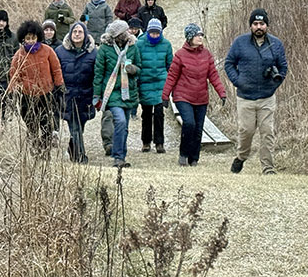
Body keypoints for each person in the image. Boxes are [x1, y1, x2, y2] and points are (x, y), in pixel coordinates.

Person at [224, 9, 287, 175]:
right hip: (245, 97)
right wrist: (238, 81)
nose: (259, 27)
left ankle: (268, 167)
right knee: (246, 131)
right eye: (255, 24)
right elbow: (229, 63)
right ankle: (241, 157)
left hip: (267, 97)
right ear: (251, 26)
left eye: (262, 24)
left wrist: (275, 84)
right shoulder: (240, 43)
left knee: (267, 132)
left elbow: (283, 67)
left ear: (267, 25)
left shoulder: (276, 44)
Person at [162, 23, 226, 167]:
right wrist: (165, 96)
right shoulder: (180, 55)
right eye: (197, 35)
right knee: (189, 123)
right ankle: (183, 155)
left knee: (198, 129)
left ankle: (194, 159)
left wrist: (221, 92)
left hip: (201, 98)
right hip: (182, 96)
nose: (200, 37)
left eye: (201, 35)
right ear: (190, 37)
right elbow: (171, 76)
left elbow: (213, 75)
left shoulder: (207, 55)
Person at [92, 19, 142, 168]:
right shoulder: (105, 50)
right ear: (117, 35)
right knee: (119, 121)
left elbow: (139, 67)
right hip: (112, 92)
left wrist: (133, 69)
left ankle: (121, 155)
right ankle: (118, 157)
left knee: (124, 126)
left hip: (128, 92)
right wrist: (96, 95)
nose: (128, 33)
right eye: (124, 31)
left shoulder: (133, 47)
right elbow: (98, 73)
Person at [9, 20, 65, 149]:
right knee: (31, 125)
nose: (30, 41)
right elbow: (14, 74)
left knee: (46, 125)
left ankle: (45, 150)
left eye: (33, 38)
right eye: (27, 38)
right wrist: (13, 90)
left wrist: (59, 85)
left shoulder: (48, 51)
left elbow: (56, 69)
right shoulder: (20, 54)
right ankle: (35, 148)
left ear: (38, 37)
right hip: (27, 95)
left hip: (46, 94)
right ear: (23, 39)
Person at [55, 21, 97, 163]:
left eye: (80, 32)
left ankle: (72, 149)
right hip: (67, 95)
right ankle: (80, 157)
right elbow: (56, 72)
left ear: (85, 35)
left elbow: (97, 75)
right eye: (75, 32)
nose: (77, 34)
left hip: (85, 96)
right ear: (70, 33)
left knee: (80, 126)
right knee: (75, 127)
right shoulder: (60, 51)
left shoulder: (93, 52)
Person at [135, 18, 173, 153]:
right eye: (152, 33)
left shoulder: (166, 45)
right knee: (146, 113)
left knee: (159, 113)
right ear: (148, 32)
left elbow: (170, 66)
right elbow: (136, 63)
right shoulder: (139, 44)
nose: (155, 35)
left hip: (160, 82)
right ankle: (146, 142)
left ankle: (159, 142)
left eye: (157, 33)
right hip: (145, 82)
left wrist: (170, 86)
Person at [41, 19, 62, 134]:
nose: (48, 32)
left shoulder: (59, 45)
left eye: (51, 30)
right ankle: (45, 131)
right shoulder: (39, 45)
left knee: (55, 107)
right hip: (43, 80)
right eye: (46, 30)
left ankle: (56, 131)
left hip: (54, 80)